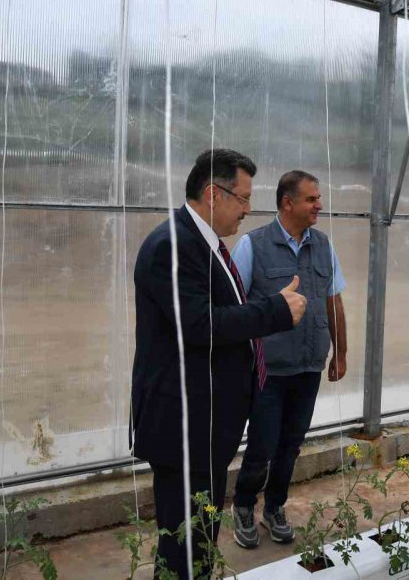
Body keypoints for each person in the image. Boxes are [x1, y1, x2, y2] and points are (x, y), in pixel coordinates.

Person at [130, 148, 306, 579]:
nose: (248, 209)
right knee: (182, 540)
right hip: (182, 425)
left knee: (199, 534)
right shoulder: (172, 246)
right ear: (213, 193)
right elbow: (199, 324)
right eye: (243, 198)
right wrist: (275, 311)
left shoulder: (204, 246)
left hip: (205, 423)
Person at [229, 170, 348, 548]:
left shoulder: (323, 245)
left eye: (319, 198)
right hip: (268, 370)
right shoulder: (253, 245)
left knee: (291, 444)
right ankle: (244, 506)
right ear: (288, 203)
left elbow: (334, 300)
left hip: (309, 366)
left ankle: (275, 507)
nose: (319, 205)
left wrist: (340, 352)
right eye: (312, 199)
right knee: (262, 445)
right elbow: (232, 308)